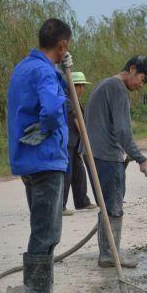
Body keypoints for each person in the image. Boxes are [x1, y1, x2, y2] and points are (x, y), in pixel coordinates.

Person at [7, 18, 73, 293]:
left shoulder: (24, 68)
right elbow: (50, 108)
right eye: (65, 47)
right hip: (45, 159)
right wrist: (49, 127)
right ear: (62, 45)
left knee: (43, 227)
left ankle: (43, 291)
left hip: (28, 160)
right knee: (46, 232)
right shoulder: (45, 71)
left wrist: (60, 71)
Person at [83, 56, 147, 268]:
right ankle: (109, 255)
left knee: (106, 204)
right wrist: (140, 158)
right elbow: (123, 130)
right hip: (106, 154)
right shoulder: (118, 89)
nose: (140, 85)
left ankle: (108, 251)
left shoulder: (104, 84)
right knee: (113, 205)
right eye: (141, 79)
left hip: (92, 152)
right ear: (132, 69)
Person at [61, 71, 97, 216]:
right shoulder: (67, 100)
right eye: (81, 86)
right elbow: (78, 123)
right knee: (67, 174)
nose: (82, 89)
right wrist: (87, 138)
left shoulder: (74, 100)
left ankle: (82, 201)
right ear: (75, 86)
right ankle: (61, 206)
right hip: (67, 142)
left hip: (75, 142)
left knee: (79, 171)